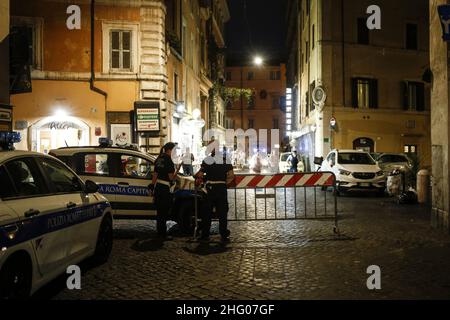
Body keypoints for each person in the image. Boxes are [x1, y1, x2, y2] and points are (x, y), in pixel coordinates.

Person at [194, 144, 235, 243]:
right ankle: (223, 233)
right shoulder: (226, 160)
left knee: (207, 212)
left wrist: (197, 177)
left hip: (209, 189)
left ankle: (205, 234)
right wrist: (225, 183)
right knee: (222, 212)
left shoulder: (207, 160)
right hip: (221, 188)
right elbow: (231, 176)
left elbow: (199, 174)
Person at [149, 142, 181, 240]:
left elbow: (155, 174)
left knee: (159, 212)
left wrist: (152, 186)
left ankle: (160, 232)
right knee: (164, 212)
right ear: (170, 150)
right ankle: (163, 235)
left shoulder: (159, 158)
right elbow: (171, 178)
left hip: (158, 187)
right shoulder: (169, 161)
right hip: (164, 189)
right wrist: (177, 170)